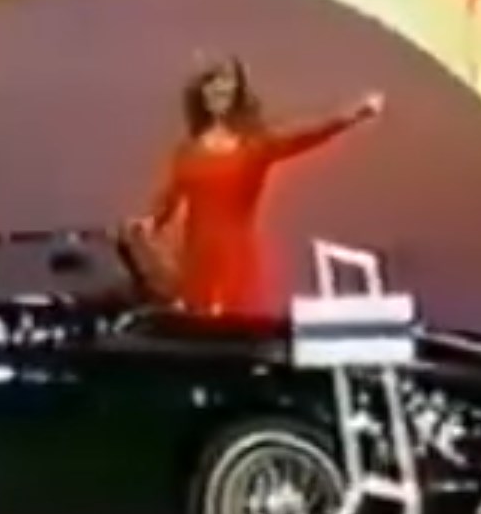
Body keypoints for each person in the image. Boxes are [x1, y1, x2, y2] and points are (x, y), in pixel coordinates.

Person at [134, 56, 383, 318]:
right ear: (201, 95)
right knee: (199, 329)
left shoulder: (254, 147)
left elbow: (307, 135)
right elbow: (169, 199)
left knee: (235, 326)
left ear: (236, 95)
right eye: (212, 86)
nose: (219, 93)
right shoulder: (187, 152)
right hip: (197, 260)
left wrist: (355, 115)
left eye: (226, 86)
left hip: (235, 257)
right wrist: (149, 223)